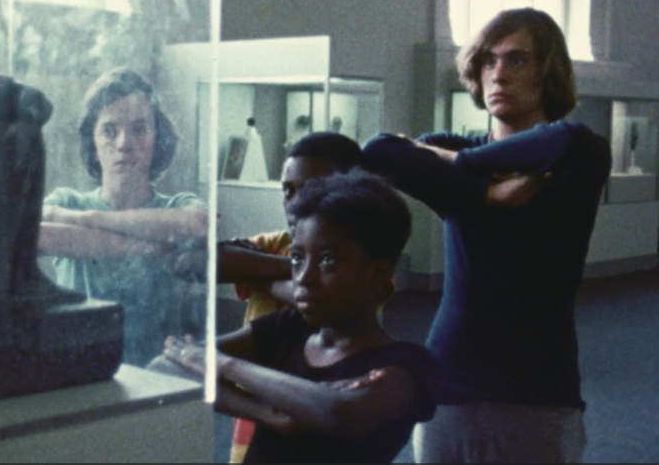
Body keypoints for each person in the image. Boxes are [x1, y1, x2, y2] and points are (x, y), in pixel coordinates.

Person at [362, 7, 612, 462]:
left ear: (547, 70)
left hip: (539, 390)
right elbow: (377, 151)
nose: (498, 74)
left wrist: (459, 168)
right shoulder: (459, 147)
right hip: (450, 383)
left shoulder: (577, 157)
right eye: (487, 61)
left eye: (517, 60)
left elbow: (568, 139)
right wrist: (487, 193)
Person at [161, 170, 436, 463]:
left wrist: (221, 362)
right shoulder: (287, 328)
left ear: (379, 273)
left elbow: (336, 412)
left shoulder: (406, 365)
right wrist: (270, 414)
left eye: (328, 260)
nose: (304, 277)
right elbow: (166, 367)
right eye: (297, 258)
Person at [38, 68, 208, 366]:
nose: (124, 143)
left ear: (158, 136)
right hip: (77, 377)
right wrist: (150, 244)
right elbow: (32, 233)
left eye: (139, 128)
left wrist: (90, 219)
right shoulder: (67, 201)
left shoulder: (179, 204)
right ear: (92, 138)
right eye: (109, 129)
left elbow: (197, 224)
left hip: (157, 383)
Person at [215, 131, 367, 463]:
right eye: (288, 190)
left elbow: (309, 299)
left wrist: (259, 276)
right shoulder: (278, 242)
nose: (296, 204)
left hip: (320, 414)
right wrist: (290, 266)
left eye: (311, 189)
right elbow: (210, 261)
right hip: (257, 415)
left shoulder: (362, 260)